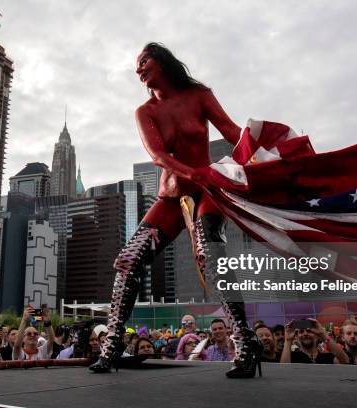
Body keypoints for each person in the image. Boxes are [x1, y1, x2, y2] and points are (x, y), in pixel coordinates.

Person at [89, 42, 261, 378]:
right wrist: (192, 172)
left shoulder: (199, 95)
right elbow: (157, 155)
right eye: (136, 66)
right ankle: (112, 347)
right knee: (128, 262)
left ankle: (245, 343)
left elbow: (231, 132)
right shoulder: (145, 112)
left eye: (144, 61)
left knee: (213, 257)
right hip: (170, 198)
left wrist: (263, 149)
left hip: (206, 194)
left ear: (162, 61)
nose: (138, 69)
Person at [280, 319, 349, 364]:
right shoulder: (292, 357)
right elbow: (284, 372)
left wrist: (323, 334)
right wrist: (288, 340)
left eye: (309, 331)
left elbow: (345, 361)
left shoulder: (328, 357)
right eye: (301, 331)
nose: (305, 333)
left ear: (317, 336)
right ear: (297, 337)